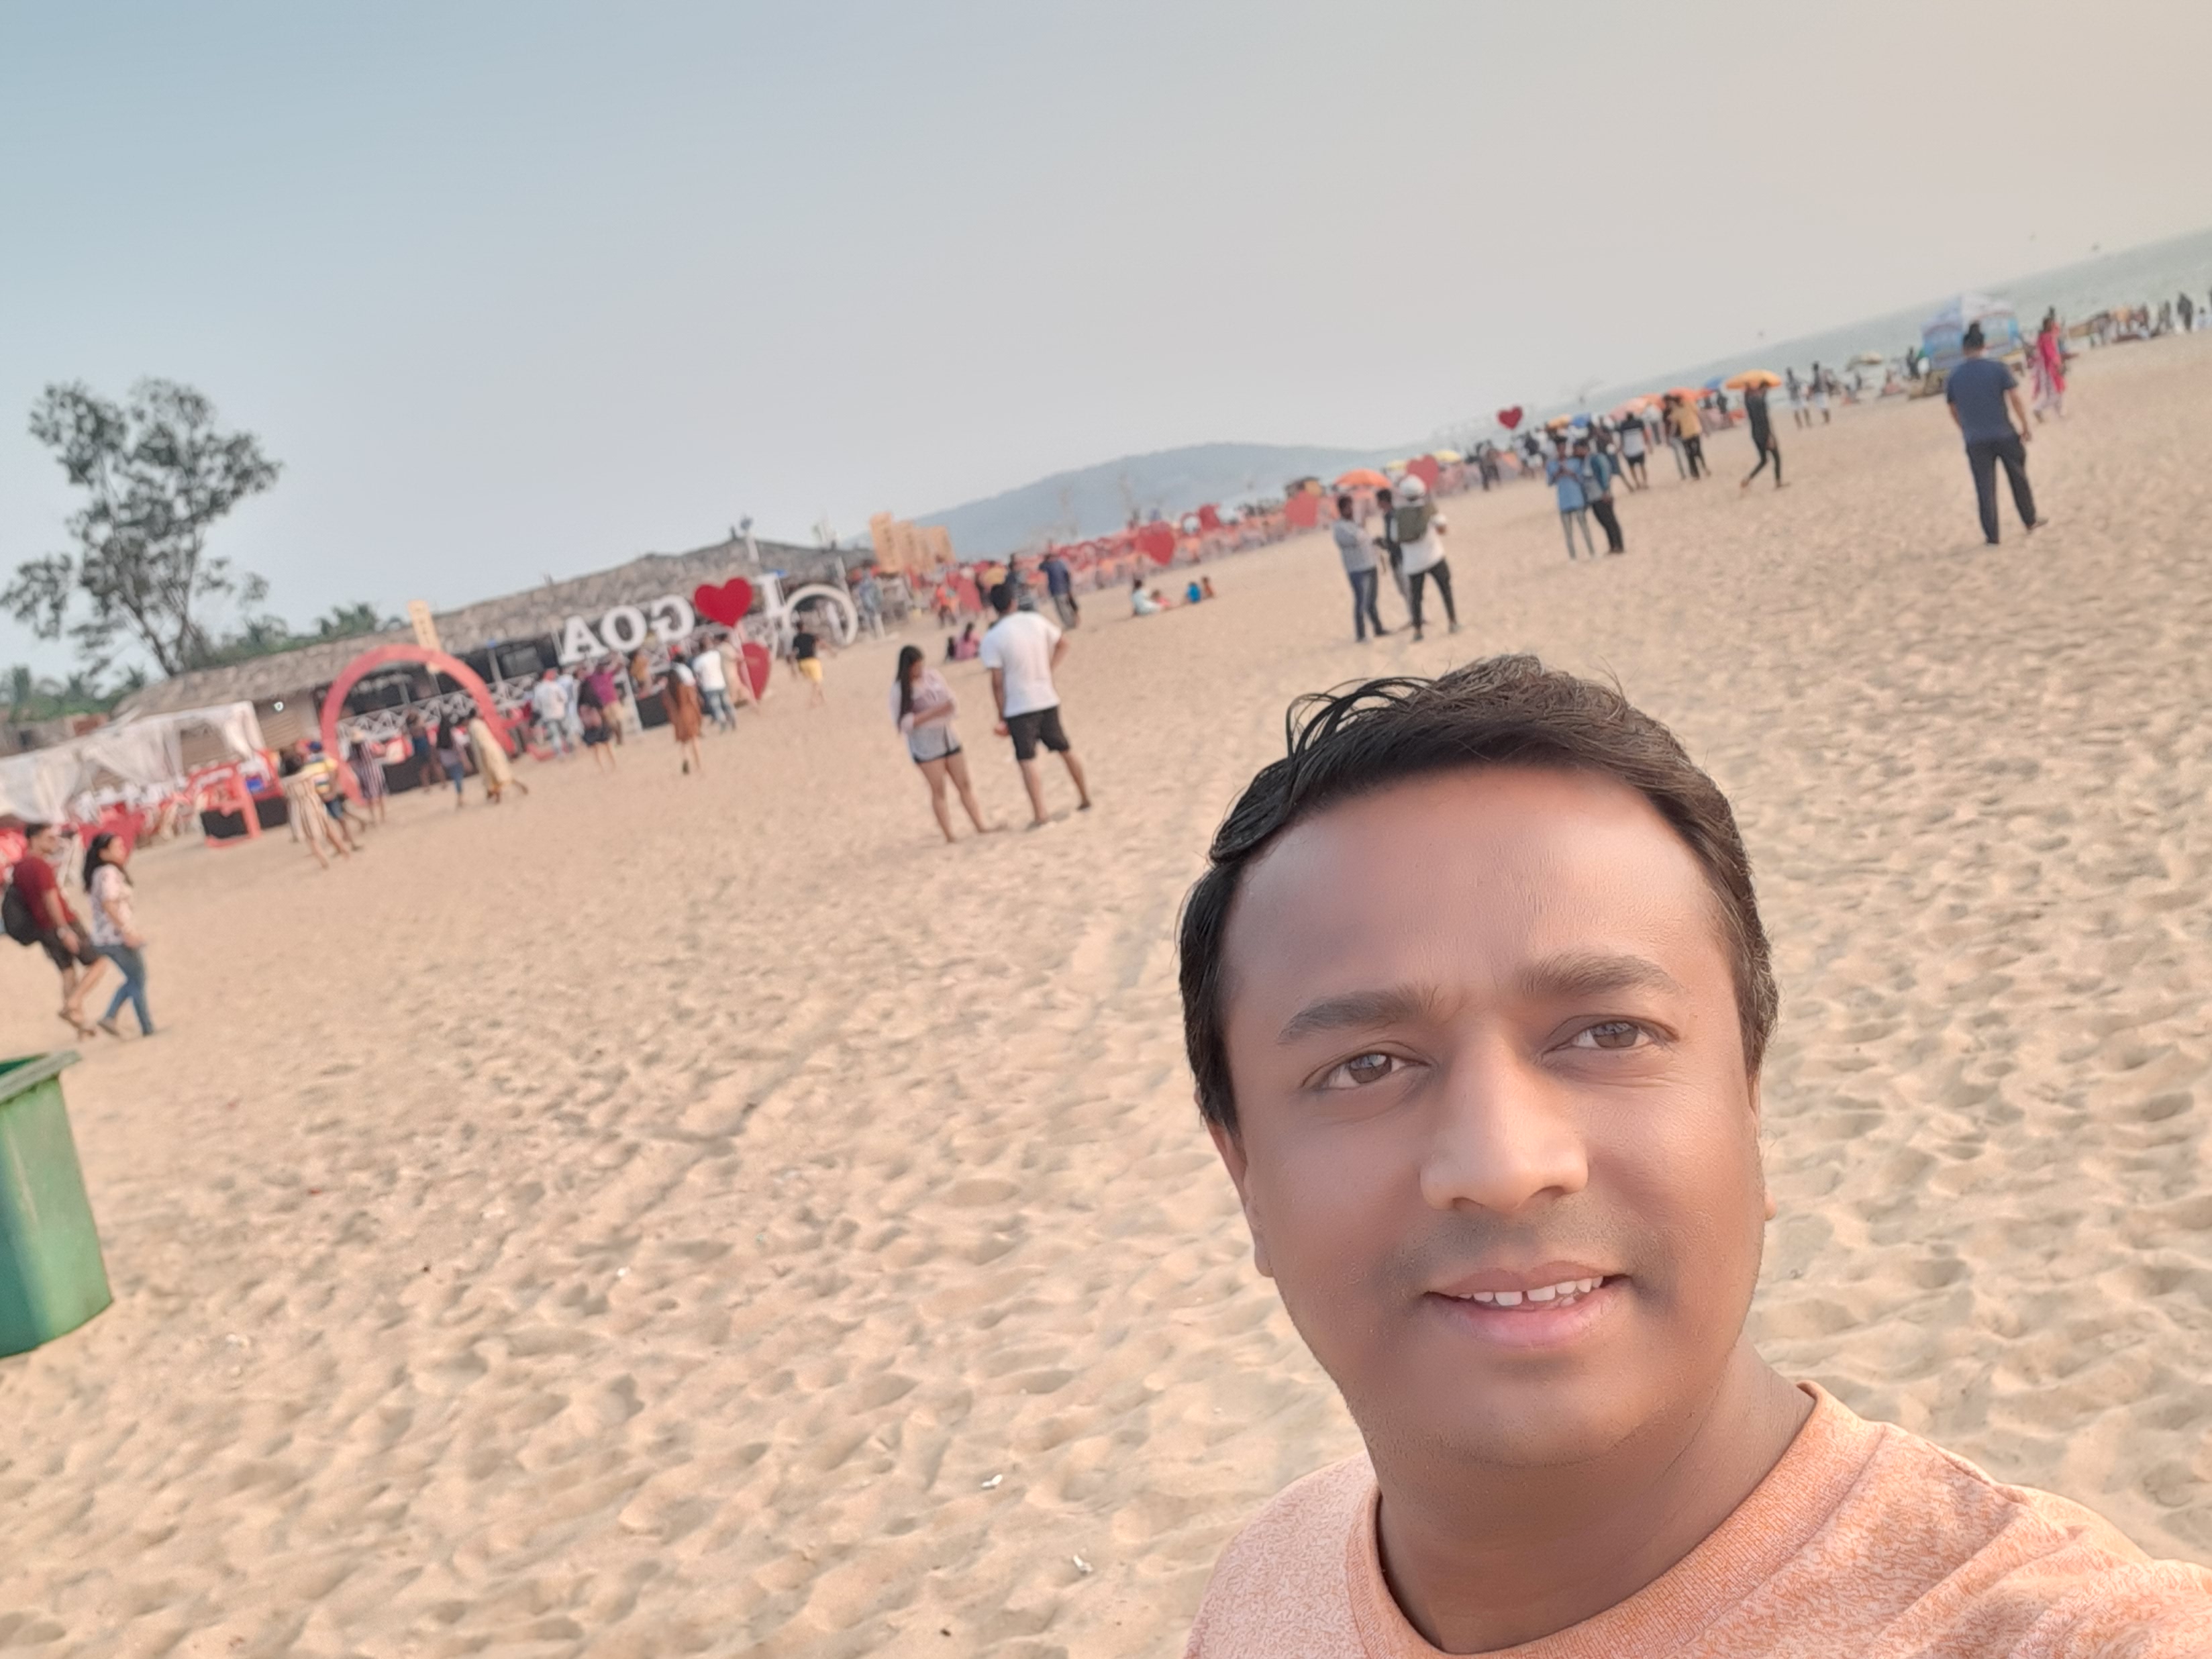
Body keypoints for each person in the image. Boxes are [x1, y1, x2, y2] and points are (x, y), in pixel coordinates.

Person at [1174, 658, 2212, 1657]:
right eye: (1366, 1066)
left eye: (1608, 1033)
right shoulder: (1270, 1579)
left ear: (1749, 1100)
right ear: (1246, 1178)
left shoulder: (2046, 1628)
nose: (1505, 1163)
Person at [978, 581, 1092, 829]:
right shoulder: (1035, 621)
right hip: (1045, 696)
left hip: (1018, 704)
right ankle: (1084, 796)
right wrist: (1048, 669)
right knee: (1064, 748)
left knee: (1027, 759)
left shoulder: (993, 637)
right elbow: (1063, 643)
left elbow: (997, 683)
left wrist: (1001, 715)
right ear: (1013, 601)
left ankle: (1041, 813)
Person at [1946, 321, 2045, 547]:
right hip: (2004, 433)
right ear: (1984, 346)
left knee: (1985, 488)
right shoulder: (1998, 369)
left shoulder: (1955, 376)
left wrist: (1965, 428)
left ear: (1964, 349)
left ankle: (1992, 536)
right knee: (2018, 479)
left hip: (1975, 439)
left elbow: (1952, 408)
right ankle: (2029, 520)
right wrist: (2025, 425)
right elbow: (2015, 398)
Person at [7, 821, 107, 1035]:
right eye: (50, 838)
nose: (55, 843)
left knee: (67, 971)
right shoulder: (40, 866)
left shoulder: (20, 868)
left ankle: (79, 1024)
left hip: (42, 928)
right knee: (98, 962)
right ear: (34, 840)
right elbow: (50, 899)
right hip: (61, 923)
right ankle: (73, 1003)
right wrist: (64, 929)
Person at [890, 644, 995, 843]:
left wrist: (945, 709)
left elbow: (951, 700)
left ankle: (980, 825)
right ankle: (949, 835)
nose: (920, 670)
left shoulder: (932, 677)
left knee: (964, 783)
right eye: (916, 667)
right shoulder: (899, 690)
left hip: (947, 736)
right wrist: (933, 713)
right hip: (925, 745)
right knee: (939, 789)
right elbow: (903, 724)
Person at [83, 831, 151, 1038]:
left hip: (105, 936)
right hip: (114, 936)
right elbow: (109, 903)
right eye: (117, 848)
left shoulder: (99, 873)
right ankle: (143, 1025)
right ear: (104, 853)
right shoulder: (108, 873)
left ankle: (114, 1017)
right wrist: (126, 931)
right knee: (137, 979)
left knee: (134, 978)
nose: (122, 851)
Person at [1392, 476, 1458, 640]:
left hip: (1413, 563)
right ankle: (1452, 622)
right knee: (1445, 590)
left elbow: (1394, 538)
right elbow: (1443, 529)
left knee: (1416, 597)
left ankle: (1418, 631)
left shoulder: (1398, 516)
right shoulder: (1429, 509)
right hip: (1434, 557)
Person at [1572, 438, 1625, 555]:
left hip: (1601, 495)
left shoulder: (1596, 459)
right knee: (1603, 522)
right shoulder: (1583, 462)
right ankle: (1613, 545)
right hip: (1593, 497)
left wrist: (1606, 490)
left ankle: (1619, 545)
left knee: (1610, 521)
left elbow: (1606, 473)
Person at [1546, 441, 1597, 560]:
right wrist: (1557, 474)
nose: (1561, 451)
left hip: (1577, 498)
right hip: (1563, 501)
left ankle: (1592, 552)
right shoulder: (1552, 465)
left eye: (1563, 448)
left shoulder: (1575, 462)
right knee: (1568, 532)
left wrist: (1570, 473)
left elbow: (1582, 479)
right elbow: (1549, 482)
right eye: (1559, 449)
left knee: (1584, 528)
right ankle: (1573, 556)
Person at [468, 713, 532, 798]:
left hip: (487, 753)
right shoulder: (480, 724)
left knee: (494, 776)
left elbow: (481, 743)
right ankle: (504, 793)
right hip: (494, 750)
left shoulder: (474, 726)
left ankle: (498, 796)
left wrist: (483, 757)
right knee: (502, 773)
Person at [666, 648, 706, 774]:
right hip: (688, 711)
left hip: (677, 714)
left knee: (683, 741)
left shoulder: (670, 684)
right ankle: (699, 765)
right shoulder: (686, 684)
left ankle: (685, 759)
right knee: (694, 738)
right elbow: (693, 698)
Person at [1740, 380, 1784, 491]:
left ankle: (1748, 478)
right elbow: (1764, 420)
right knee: (1776, 457)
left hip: (1755, 434)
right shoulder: (1760, 402)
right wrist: (1770, 436)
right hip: (1764, 433)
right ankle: (1778, 482)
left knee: (1764, 460)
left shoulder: (1749, 402)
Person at [693, 636, 737, 731]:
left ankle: (723, 723)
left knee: (716, 707)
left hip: (709, 686)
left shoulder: (698, 661)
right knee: (727, 704)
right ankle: (733, 718)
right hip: (721, 682)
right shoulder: (716, 655)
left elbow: (697, 676)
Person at [2031, 313, 2068, 421]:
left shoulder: (2045, 337)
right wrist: (2058, 364)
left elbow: (2058, 330)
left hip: (2050, 369)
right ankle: (2038, 409)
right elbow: (2051, 353)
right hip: (2050, 370)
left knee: (2059, 391)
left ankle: (2059, 413)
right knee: (2054, 394)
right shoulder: (2046, 338)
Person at [530, 670, 572, 758]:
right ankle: (570, 749)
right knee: (565, 732)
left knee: (554, 735)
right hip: (560, 713)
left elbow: (536, 706)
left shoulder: (538, 689)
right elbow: (564, 698)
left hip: (548, 715)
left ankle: (559, 753)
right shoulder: (555, 686)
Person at [349, 734, 389, 825]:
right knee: (380, 794)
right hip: (374, 770)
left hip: (362, 773)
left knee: (370, 797)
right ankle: (383, 817)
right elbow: (381, 753)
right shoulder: (368, 745)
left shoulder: (353, 749)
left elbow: (351, 762)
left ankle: (374, 818)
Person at [1668, 393, 1707, 479]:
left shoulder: (1689, 404)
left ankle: (1704, 467)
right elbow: (1674, 423)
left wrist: (1705, 427)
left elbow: (1698, 414)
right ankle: (1696, 473)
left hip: (1695, 431)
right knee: (1690, 455)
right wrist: (1671, 434)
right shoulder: (1676, 410)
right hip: (1686, 434)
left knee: (1698, 452)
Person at [1042, 551, 1080, 629]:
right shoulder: (1060, 564)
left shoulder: (1051, 565)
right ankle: (1072, 622)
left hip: (1058, 591)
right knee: (1067, 607)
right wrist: (1069, 588)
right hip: (1063, 590)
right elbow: (1068, 576)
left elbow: (1041, 567)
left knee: (1063, 609)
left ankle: (1070, 624)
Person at [790, 628, 826, 707]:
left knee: (816, 681)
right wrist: (831, 651)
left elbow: (793, 653)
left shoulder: (796, 639)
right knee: (817, 682)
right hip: (812, 661)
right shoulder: (810, 636)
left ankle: (823, 698)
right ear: (804, 627)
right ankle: (813, 700)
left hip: (802, 663)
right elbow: (821, 643)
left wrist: (793, 669)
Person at [1616, 413, 1649, 490]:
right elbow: (1645, 433)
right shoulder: (1639, 423)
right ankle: (1645, 482)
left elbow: (1622, 439)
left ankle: (1637, 483)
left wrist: (1620, 449)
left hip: (1629, 450)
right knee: (1642, 466)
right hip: (1639, 448)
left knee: (1632, 468)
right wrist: (1648, 443)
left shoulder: (1623, 425)